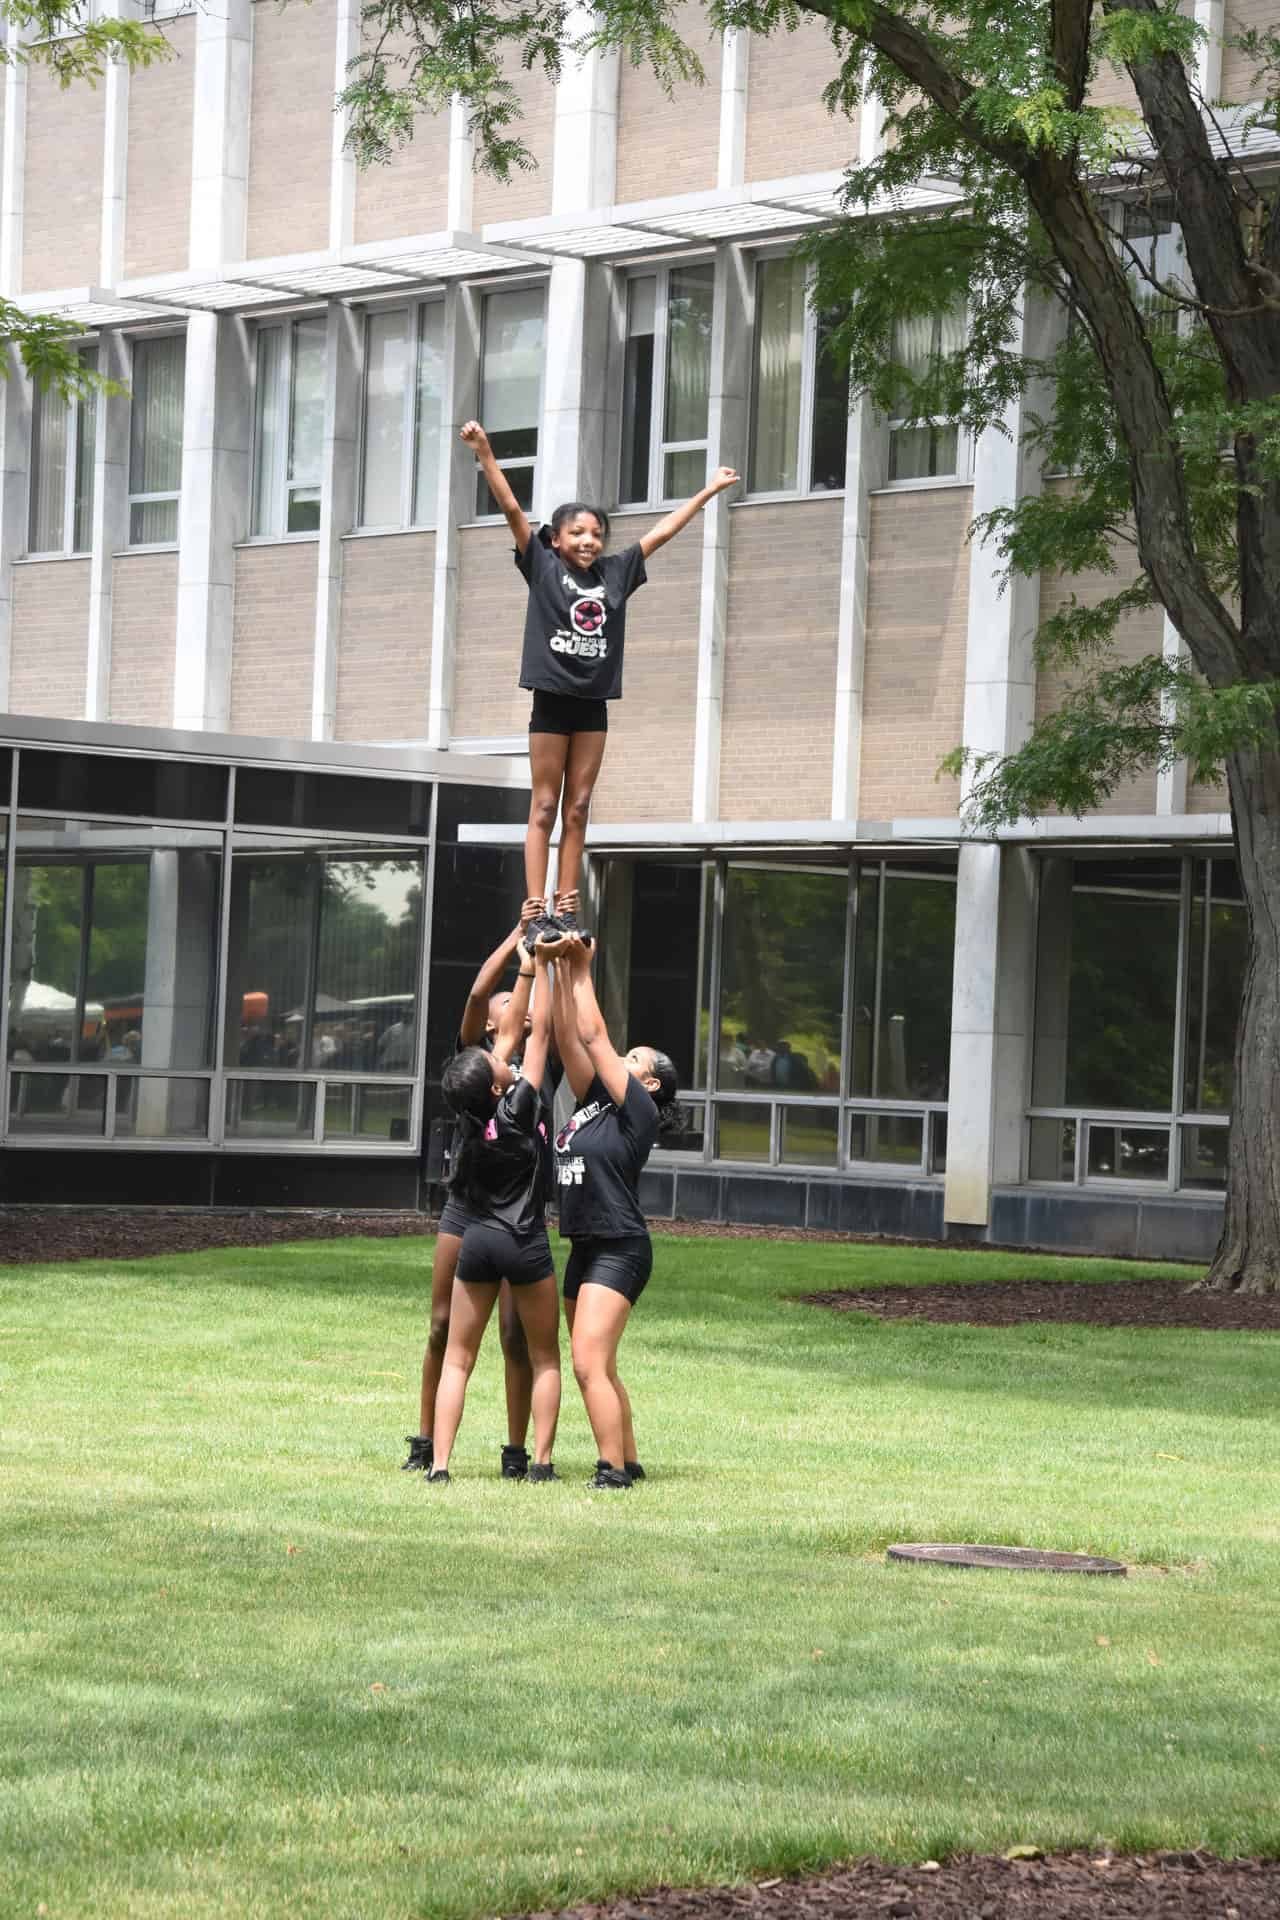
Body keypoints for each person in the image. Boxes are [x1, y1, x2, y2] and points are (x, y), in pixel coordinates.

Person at [460, 419, 739, 944]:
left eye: (596, 533)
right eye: (578, 533)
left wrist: (710, 489)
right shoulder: (540, 565)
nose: (590, 540)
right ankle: (535, 909)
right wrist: (485, 452)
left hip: (592, 705)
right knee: (544, 805)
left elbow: (662, 533)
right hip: (551, 700)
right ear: (557, 540)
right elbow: (512, 511)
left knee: (579, 807)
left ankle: (566, 909)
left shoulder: (615, 573)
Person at [401, 903, 543, 1478]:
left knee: (514, 1335)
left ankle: (515, 1451)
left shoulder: (527, 1066)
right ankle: (427, 1441)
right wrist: (518, 937)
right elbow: (479, 993)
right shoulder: (474, 1061)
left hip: (518, 1211)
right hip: (466, 1211)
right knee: (443, 1325)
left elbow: (534, 1013)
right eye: (509, 1006)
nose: (518, 1007)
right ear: (490, 1027)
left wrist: (548, 958)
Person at [548, 932, 680, 1489]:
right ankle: (629, 1456)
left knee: (586, 1363)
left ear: (648, 1082)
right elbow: (567, 1036)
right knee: (600, 1363)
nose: (621, 1058)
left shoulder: (639, 1112)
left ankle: (613, 1471)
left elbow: (595, 1035)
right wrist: (553, 966)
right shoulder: (594, 1102)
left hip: (620, 1246)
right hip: (585, 1243)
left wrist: (581, 968)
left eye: (633, 1060)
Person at [427, 944, 562, 1485]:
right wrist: (542, 967)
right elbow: (540, 1036)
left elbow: (507, 1042)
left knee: (458, 1357)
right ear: (498, 1081)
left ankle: (439, 1465)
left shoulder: (471, 1115)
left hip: (477, 1239)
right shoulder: (521, 1103)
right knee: (546, 1356)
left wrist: (528, 965)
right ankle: (540, 1463)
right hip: (524, 1239)